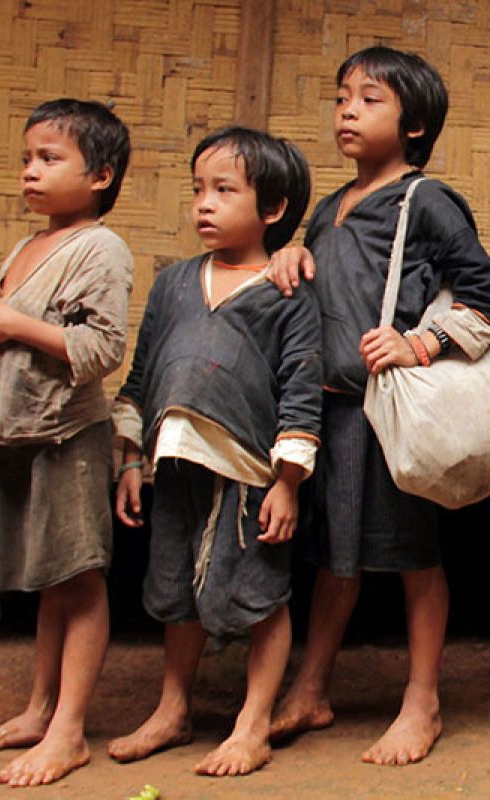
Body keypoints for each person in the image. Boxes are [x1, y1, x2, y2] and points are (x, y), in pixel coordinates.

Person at [266, 46, 490, 766]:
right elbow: (319, 286)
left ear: (415, 125)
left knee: (413, 558)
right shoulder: (326, 209)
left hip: (386, 413)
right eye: (342, 96)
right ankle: (310, 688)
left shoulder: (425, 201)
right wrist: (288, 256)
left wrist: (420, 343)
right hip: (331, 413)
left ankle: (423, 701)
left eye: (370, 99)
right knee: (336, 559)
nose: (347, 109)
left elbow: (489, 301)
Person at [106, 127, 320, 777]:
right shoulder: (173, 284)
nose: (205, 203)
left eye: (224, 190)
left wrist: (287, 482)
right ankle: (173, 710)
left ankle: (252, 724)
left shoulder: (289, 293)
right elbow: (141, 377)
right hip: (172, 465)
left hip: (250, 476)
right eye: (199, 189)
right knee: (174, 591)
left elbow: (301, 390)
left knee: (260, 595)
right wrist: (132, 460)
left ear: (273, 209)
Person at [0, 98, 133, 787]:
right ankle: (37, 708)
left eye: (50, 158)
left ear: (100, 175)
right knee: (48, 583)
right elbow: (18, 322)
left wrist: (12, 324)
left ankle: (68, 731)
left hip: (65, 434)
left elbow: (102, 347)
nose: (31, 170)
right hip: (12, 432)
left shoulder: (100, 248)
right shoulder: (27, 247)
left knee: (78, 579)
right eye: (28, 157)